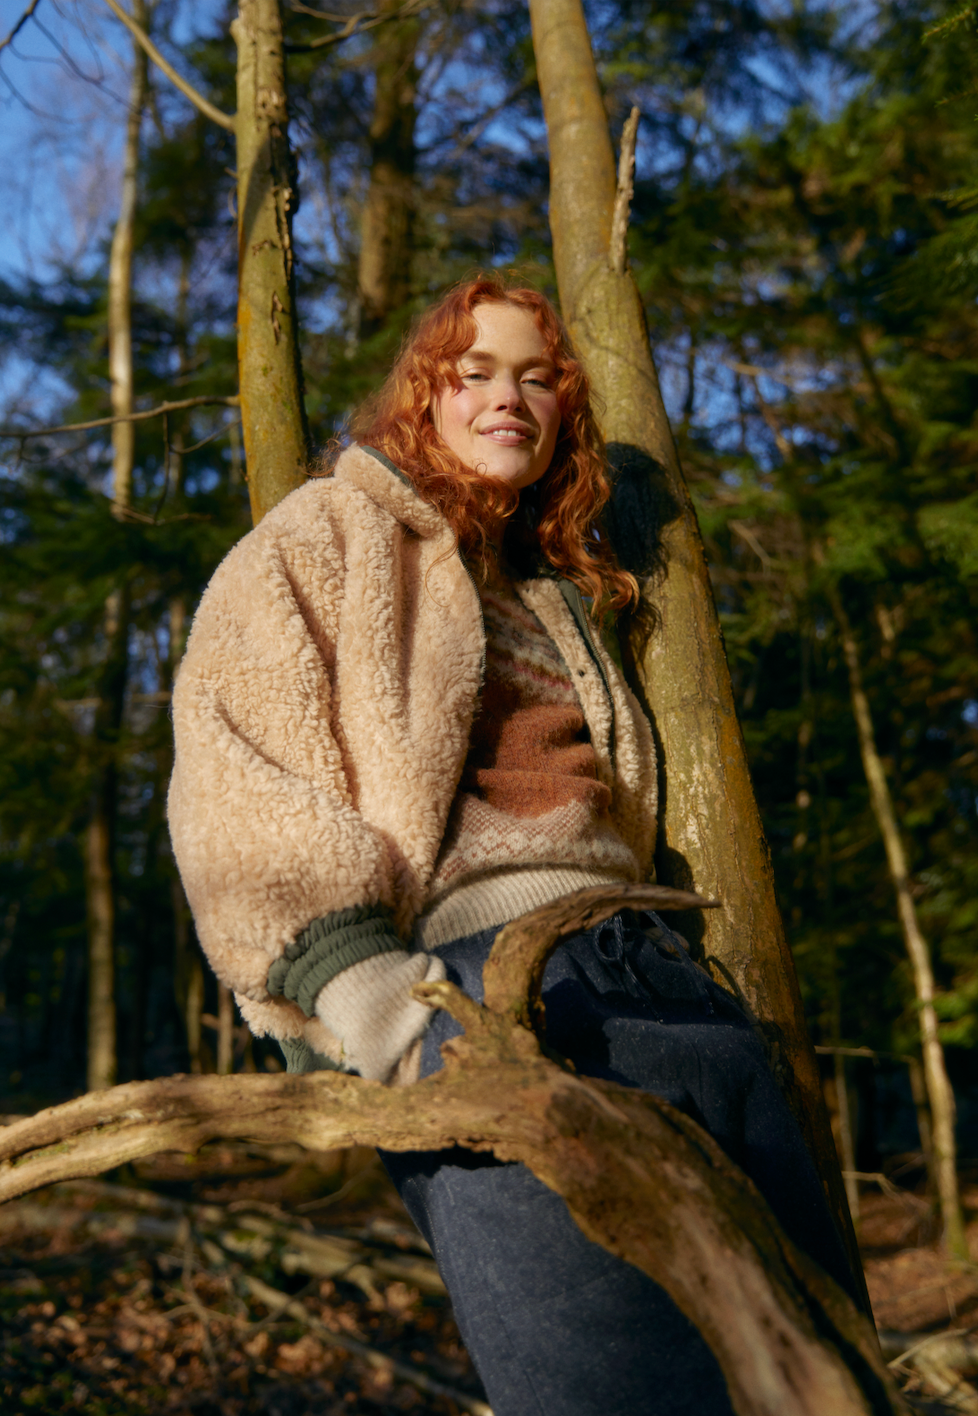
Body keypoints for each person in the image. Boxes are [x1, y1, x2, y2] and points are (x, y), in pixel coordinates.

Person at [168, 274, 857, 1415]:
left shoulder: (558, 586)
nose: (510, 397)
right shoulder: (326, 532)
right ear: (420, 398)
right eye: (474, 372)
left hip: (676, 990)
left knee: (811, 1382)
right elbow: (238, 756)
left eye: (538, 378)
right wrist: (370, 999)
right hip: (493, 1003)